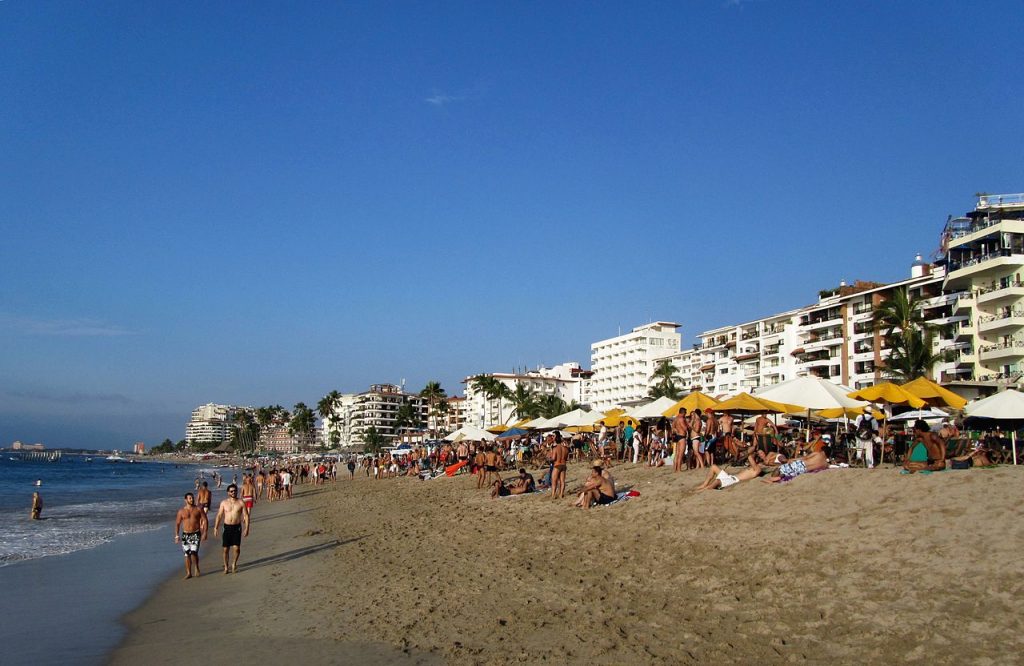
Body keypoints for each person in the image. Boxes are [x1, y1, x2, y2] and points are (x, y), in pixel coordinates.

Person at [213, 484, 250, 574]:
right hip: (227, 527)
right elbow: (219, 515)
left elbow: (246, 515)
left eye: (235, 491)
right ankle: (226, 566)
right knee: (225, 549)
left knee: (236, 548)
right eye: (231, 491)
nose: (233, 492)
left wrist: (247, 528)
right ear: (228, 492)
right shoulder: (224, 503)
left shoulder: (241, 502)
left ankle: (234, 564)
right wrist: (216, 527)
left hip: (237, 527)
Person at [174, 492, 208, 579]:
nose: (192, 499)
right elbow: (177, 523)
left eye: (192, 498)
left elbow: (205, 520)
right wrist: (177, 536)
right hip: (185, 534)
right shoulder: (181, 511)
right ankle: (189, 572)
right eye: (190, 498)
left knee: (194, 553)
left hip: (195, 533)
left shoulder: (198, 509)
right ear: (185, 500)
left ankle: (196, 567)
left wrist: (205, 532)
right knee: (187, 554)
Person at [696, 454, 764, 491]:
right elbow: (750, 459)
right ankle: (704, 484)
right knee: (713, 467)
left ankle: (705, 489)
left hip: (733, 480)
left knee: (717, 481)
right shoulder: (754, 467)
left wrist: (750, 453)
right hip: (731, 477)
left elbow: (750, 458)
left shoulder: (758, 469)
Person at [763, 450, 829, 483]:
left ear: (823, 451)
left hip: (801, 464)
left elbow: (805, 458)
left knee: (779, 468)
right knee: (788, 472)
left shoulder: (818, 453)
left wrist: (793, 459)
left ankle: (774, 478)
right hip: (803, 470)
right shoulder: (825, 464)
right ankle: (780, 476)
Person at [549, 432, 570, 499]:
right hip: (563, 465)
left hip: (557, 465)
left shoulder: (555, 448)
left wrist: (549, 458)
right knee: (562, 481)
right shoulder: (565, 448)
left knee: (554, 481)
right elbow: (566, 458)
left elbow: (553, 458)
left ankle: (553, 495)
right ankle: (561, 494)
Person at [671, 408, 688, 473]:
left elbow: (673, 427)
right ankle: (678, 469)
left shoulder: (675, 419)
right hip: (682, 436)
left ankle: (675, 469)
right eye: (685, 413)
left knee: (677, 454)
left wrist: (677, 430)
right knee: (681, 454)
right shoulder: (682, 419)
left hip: (677, 436)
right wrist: (687, 424)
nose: (685, 414)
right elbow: (685, 428)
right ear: (683, 412)